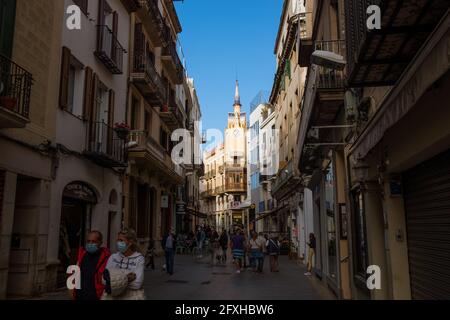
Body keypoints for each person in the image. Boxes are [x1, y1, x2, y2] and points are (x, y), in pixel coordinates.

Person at [102, 229, 145, 300]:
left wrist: (114, 280)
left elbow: (137, 284)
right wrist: (128, 277)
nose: (118, 243)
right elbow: (104, 280)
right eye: (118, 240)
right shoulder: (113, 257)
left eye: (121, 240)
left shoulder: (139, 259)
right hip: (112, 296)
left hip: (131, 296)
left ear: (130, 242)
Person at [72, 230, 110, 300]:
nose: (90, 244)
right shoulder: (82, 255)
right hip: (80, 295)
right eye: (88, 241)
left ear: (100, 243)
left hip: (96, 296)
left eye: (94, 241)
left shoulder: (106, 258)